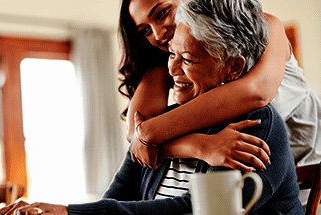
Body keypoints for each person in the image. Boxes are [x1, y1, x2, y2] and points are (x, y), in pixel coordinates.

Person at [0, 0, 308, 215]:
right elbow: (129, 163)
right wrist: (52, 214)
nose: (161, 37)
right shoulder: (170, 113)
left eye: (187, 58)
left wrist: (72, 214)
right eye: (172, 54)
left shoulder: (255, 119)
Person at [121, 0, 321, 173]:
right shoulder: (168, 61)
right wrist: (200, 146)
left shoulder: (266, 27)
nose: (157, 34)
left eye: (161, 13)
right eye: (145, 30)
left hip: (311, 179)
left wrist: (149, 134)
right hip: (252, 185)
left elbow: (256, 93)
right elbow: (135, 135)